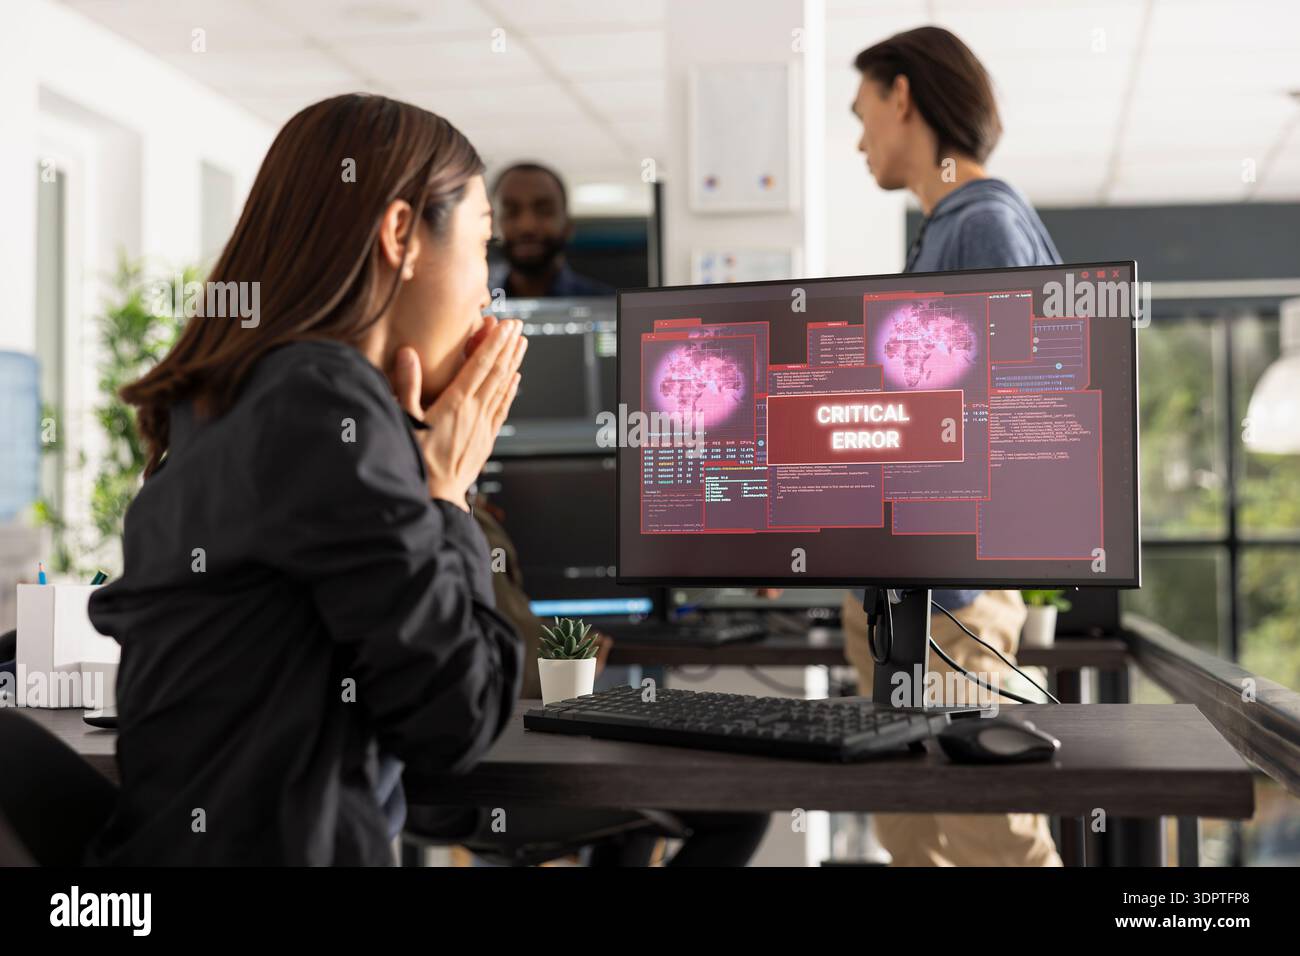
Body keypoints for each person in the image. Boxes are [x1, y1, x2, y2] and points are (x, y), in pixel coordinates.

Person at [85, 94, 528, 865]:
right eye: (482, 245)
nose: (486, 294)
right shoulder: (323, 401)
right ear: (401, 235)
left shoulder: (225, 398)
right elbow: (456, 723)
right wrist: (448, 490)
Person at [846, 25, 1063, 866]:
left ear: (903, 96)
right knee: (912, 834)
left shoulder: (984, 226)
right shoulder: (943, 230)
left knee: (992, 841)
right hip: (902, 593)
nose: (860, 136)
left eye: (864, 110)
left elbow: (1019, 423)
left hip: (951, 602)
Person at [489, 162, 614, 298]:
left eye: (544, 211)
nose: (527, 226)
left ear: (568, 225)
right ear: (491, 225)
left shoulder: (608, 306)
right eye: (511, 211)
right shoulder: (475, 306)